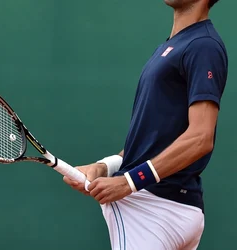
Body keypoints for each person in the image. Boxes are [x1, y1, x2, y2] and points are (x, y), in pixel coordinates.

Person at [64, 0, 228, 249]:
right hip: (174, 207)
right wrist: (105, 166)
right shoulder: (173, 46)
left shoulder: (203, 46)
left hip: (151, 207)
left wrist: (129, 182)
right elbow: (153, 142)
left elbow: (200, 138)